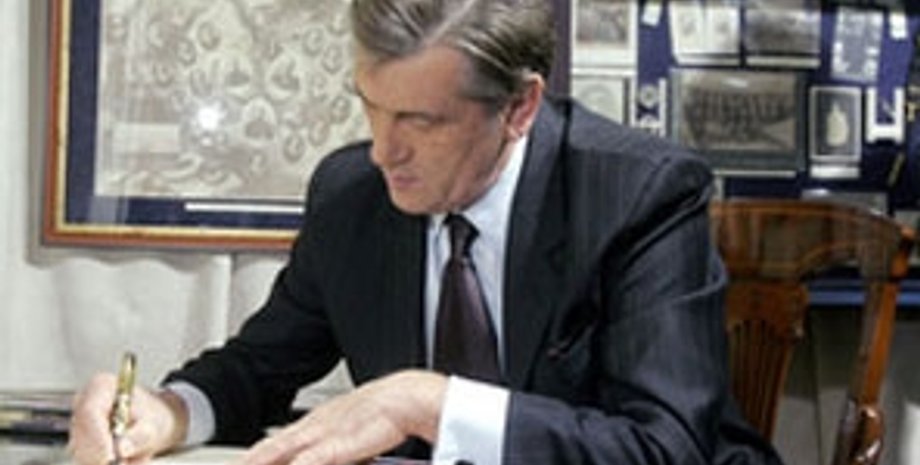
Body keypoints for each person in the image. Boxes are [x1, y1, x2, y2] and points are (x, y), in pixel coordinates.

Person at [69, 0, 783, 464]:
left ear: (520, 107)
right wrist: (168, 412)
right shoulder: (351, 194)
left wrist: (428, 403)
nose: (384, 152)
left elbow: (664, 448)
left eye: (421, 121)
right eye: (371, 108)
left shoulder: (638, 193)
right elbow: (258, 369)